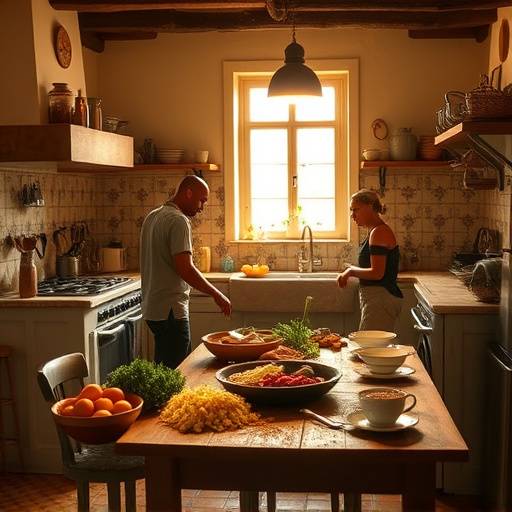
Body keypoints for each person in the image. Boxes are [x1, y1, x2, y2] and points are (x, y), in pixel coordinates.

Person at [140, 175, 231, 368]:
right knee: (179, 371)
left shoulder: (152, 216)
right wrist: (216, 293)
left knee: (165, 369)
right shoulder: (178, 220)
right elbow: (185, 268)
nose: (202, 207)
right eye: (202, 200)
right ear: (188, 193)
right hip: (171, 310)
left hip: (153, 309)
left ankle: (161, 399)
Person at [337, 189, 403, 331]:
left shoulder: (379, 232)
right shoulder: (375, 231)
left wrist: (350, 271)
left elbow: (377, 273)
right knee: (373, 348)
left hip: (381, 298)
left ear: (370, 207)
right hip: (377, 298)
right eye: (351, 210)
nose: (352, 215)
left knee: (371, 348)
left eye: (356, 210)